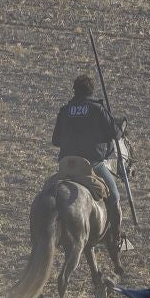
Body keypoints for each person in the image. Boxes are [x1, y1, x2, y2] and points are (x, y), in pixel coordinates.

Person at [52, 73, 124, 245]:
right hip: (91, 164)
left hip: (66, 164)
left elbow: (55, 140)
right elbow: (115, 134)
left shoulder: (65, 110)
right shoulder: (97, 109)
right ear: (91, 91)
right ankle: (116, 238)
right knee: (114, 196)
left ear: (75, 91)